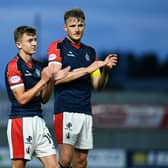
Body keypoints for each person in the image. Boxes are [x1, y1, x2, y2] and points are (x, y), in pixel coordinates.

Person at [47, 8, 118, 168]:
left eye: (80, 25)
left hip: (85, 111)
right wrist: (87, 69)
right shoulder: (57, 47)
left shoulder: (90, 52)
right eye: (73, 26)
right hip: (66, 109)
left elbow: (97, 85)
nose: (77, 29)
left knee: (81, 162)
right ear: (65, 27)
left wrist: (106, 69)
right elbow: (55, 78)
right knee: (65, 159)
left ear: (84, 26)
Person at [5, 26, 69, 168]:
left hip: (39, 122)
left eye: (35, 39)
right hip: (21, 121)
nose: (34, 43)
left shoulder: (39, 66)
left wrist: (51, 80)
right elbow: (21, 99)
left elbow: (44, 99)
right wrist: (42, 81)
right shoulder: (14, 66)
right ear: (19, 44)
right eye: (29, 40)